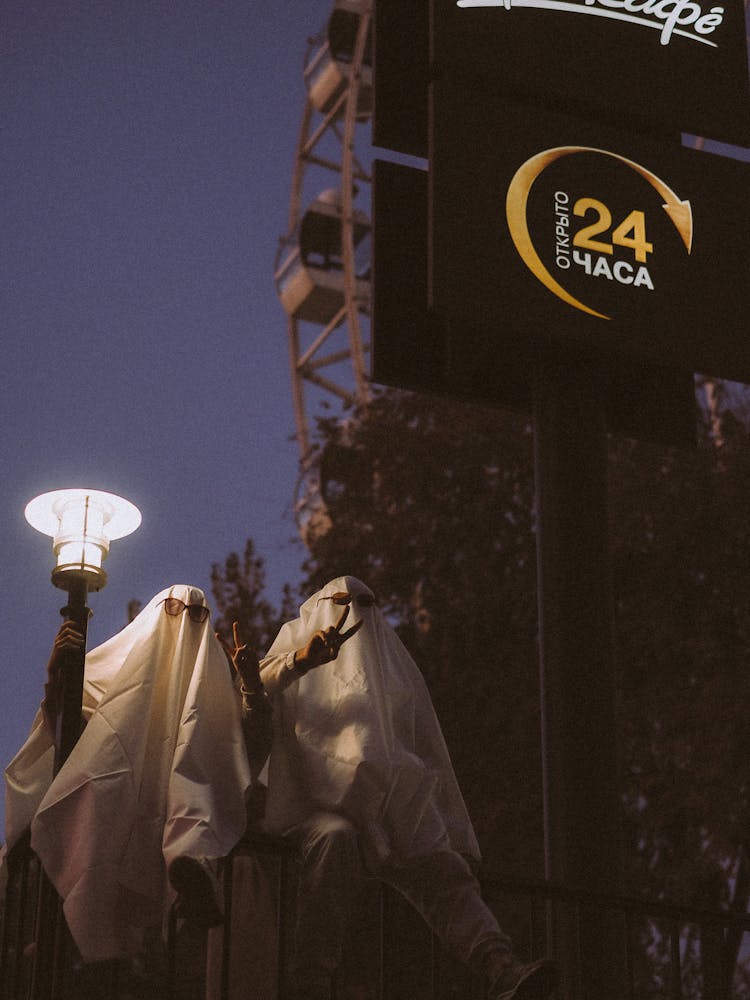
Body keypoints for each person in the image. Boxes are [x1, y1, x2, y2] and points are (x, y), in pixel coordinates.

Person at [257, 575, 557, 1000]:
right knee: (335, 843)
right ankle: (311, 980)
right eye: (342, 603)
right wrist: (301, 661)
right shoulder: (294, 648)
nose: (354, 613)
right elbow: (255, 688)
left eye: (364, 604)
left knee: (442, 869)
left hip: (386, 793)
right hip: (318, 800)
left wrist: (432, 813)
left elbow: (422, 743)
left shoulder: (391, 668)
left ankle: (500, 968)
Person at [4, 584, 253, 963]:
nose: (185, 624)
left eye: (198, 616)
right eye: (174, 610)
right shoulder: (106, 685)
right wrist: (56, 678)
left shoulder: (214, 700)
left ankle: (188, 870)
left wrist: (253, 688)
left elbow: (237, 755)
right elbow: (66, 737)